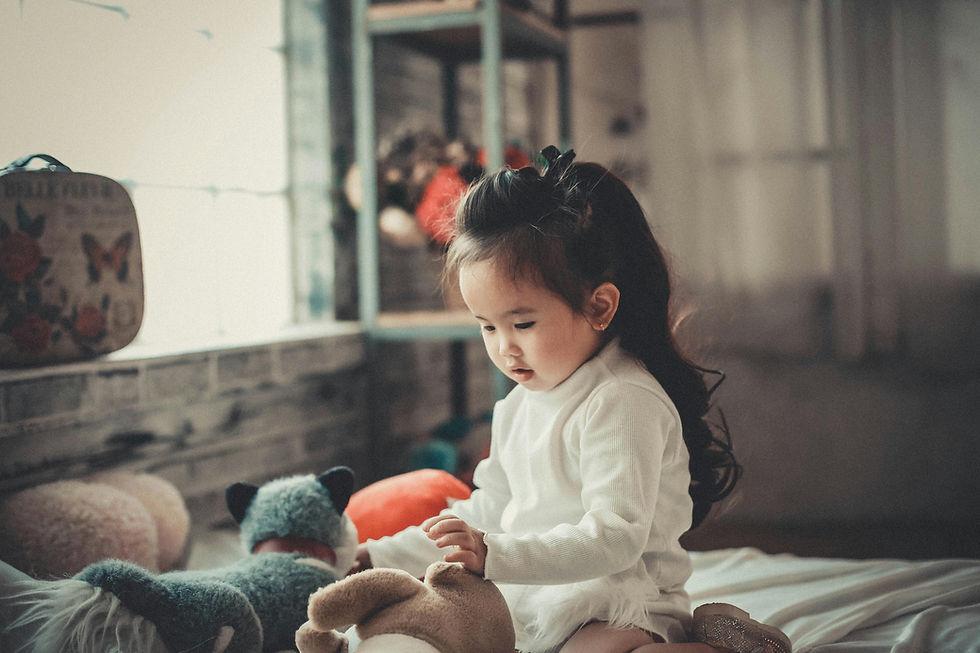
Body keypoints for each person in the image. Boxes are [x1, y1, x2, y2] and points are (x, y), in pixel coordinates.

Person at [353, 147, 791, 653]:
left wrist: (493, 554)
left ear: (599, 305)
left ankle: (720, 643)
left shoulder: (622, 399)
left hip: (623, 605)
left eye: (522, 324)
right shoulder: (519, 405)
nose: (503, 347)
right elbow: (490, 508)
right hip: (533, 599)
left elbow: (616, 538)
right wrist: (378, 556)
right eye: (487, 326)